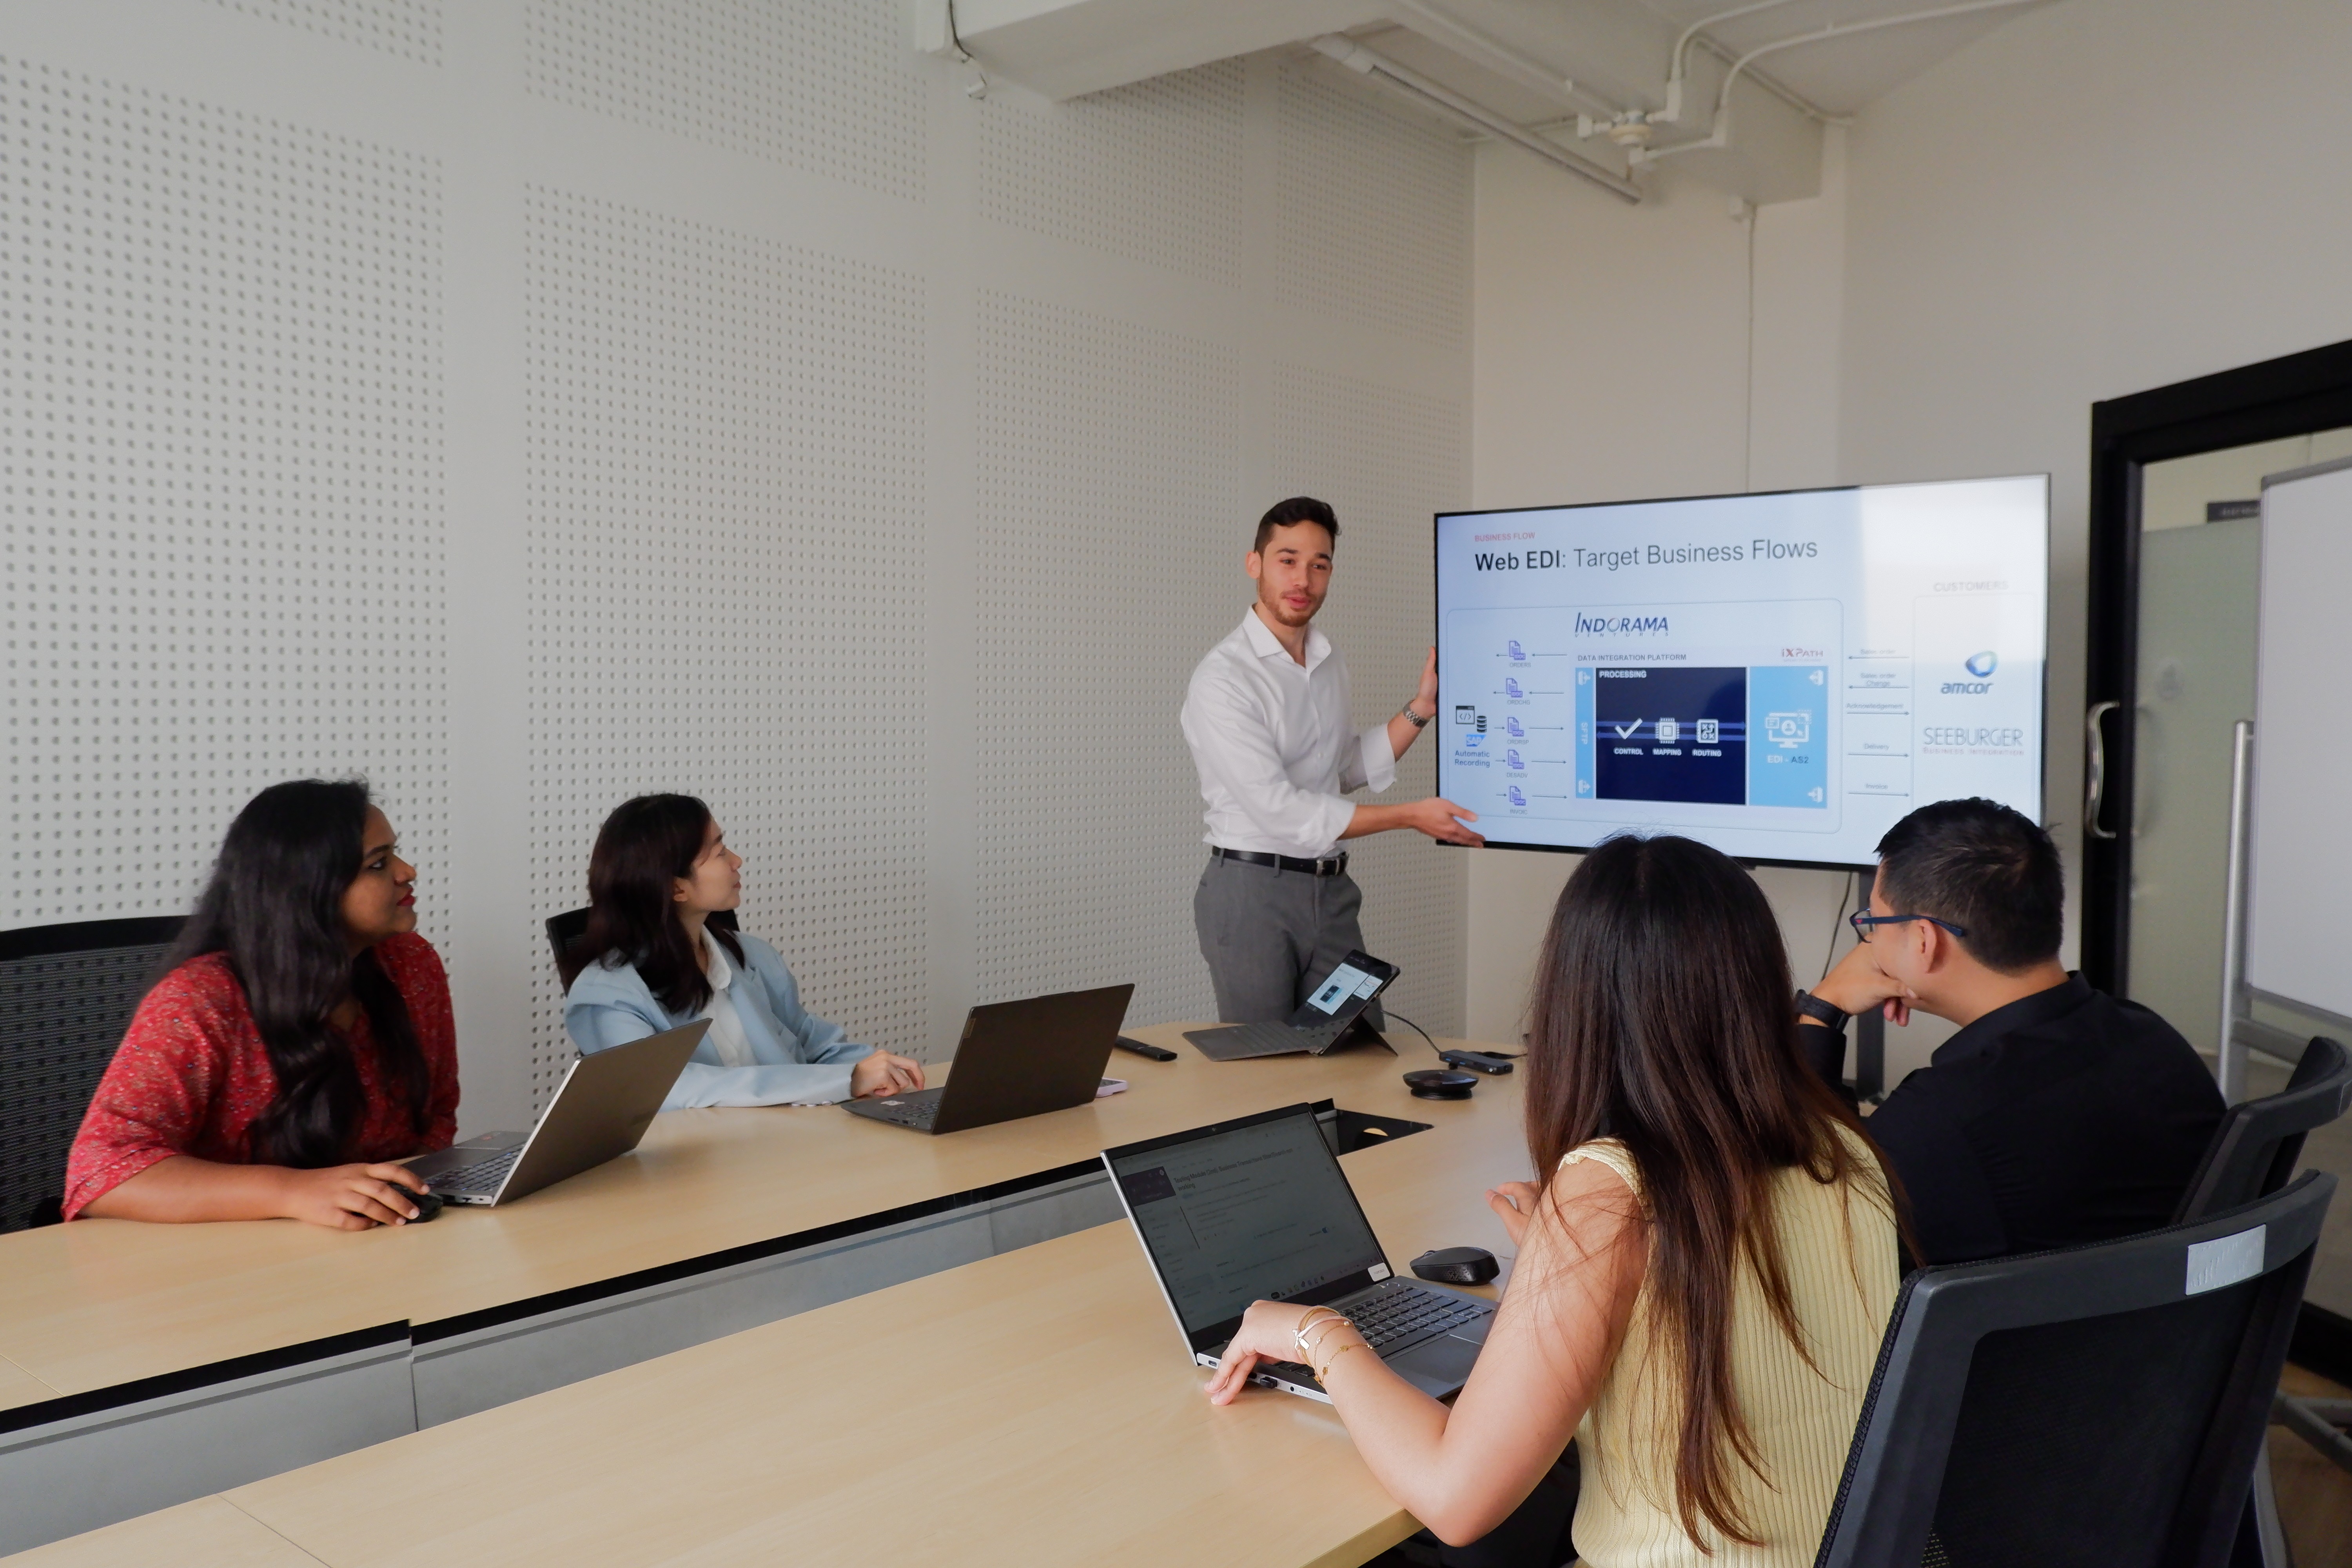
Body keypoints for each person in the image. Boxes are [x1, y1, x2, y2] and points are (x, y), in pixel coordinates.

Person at [1205, 835, 1900, 1567]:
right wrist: (1568, 1256)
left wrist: (1320, 1332)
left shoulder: (1612, 1191)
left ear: (1577, 1004)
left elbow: (1456, 1501)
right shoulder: (1846, 1148)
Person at [1798, 797, 2226, 1264]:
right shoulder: (2151, 1037)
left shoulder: (1943, 1117)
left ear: (1924, 941)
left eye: (1874, 923)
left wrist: (1824, 1009)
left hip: (2030, 1335)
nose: (1869, 942)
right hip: (2163, 1322)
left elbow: (1807, 1205)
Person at [64, 780, 457, 1228]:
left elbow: (436, 1116)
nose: (407, 871)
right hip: (222, 1263)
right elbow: (102, 1172)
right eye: (379, 863)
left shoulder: (410, 963)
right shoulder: (201, 998)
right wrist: (292, 1192)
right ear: (310, 889)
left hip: (373, 1242)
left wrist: (406, 1198)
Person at [1182, 496, 1484, 1024]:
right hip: (1253, 895)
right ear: (1255, 564)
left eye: (1318, 565)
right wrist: (1410, 816)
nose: (1303, 578)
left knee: (1359, 1048)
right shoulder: (1224, 679)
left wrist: (1421, 709)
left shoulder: (1326, 659)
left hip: (1331, 890)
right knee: (1269, 1074)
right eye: (1288, 560)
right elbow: (1281, 811)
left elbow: (1341, 769)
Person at [562, 795, 924, 1109]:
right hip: (694, 1174)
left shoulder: (753, 957)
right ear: (676, 888)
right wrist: (846, 1080)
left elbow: (817, 1047)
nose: (737, 860)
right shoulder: (604, 997)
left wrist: (883, 1071)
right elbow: (669, 1089)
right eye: (719, 852)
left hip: (792, 1146)